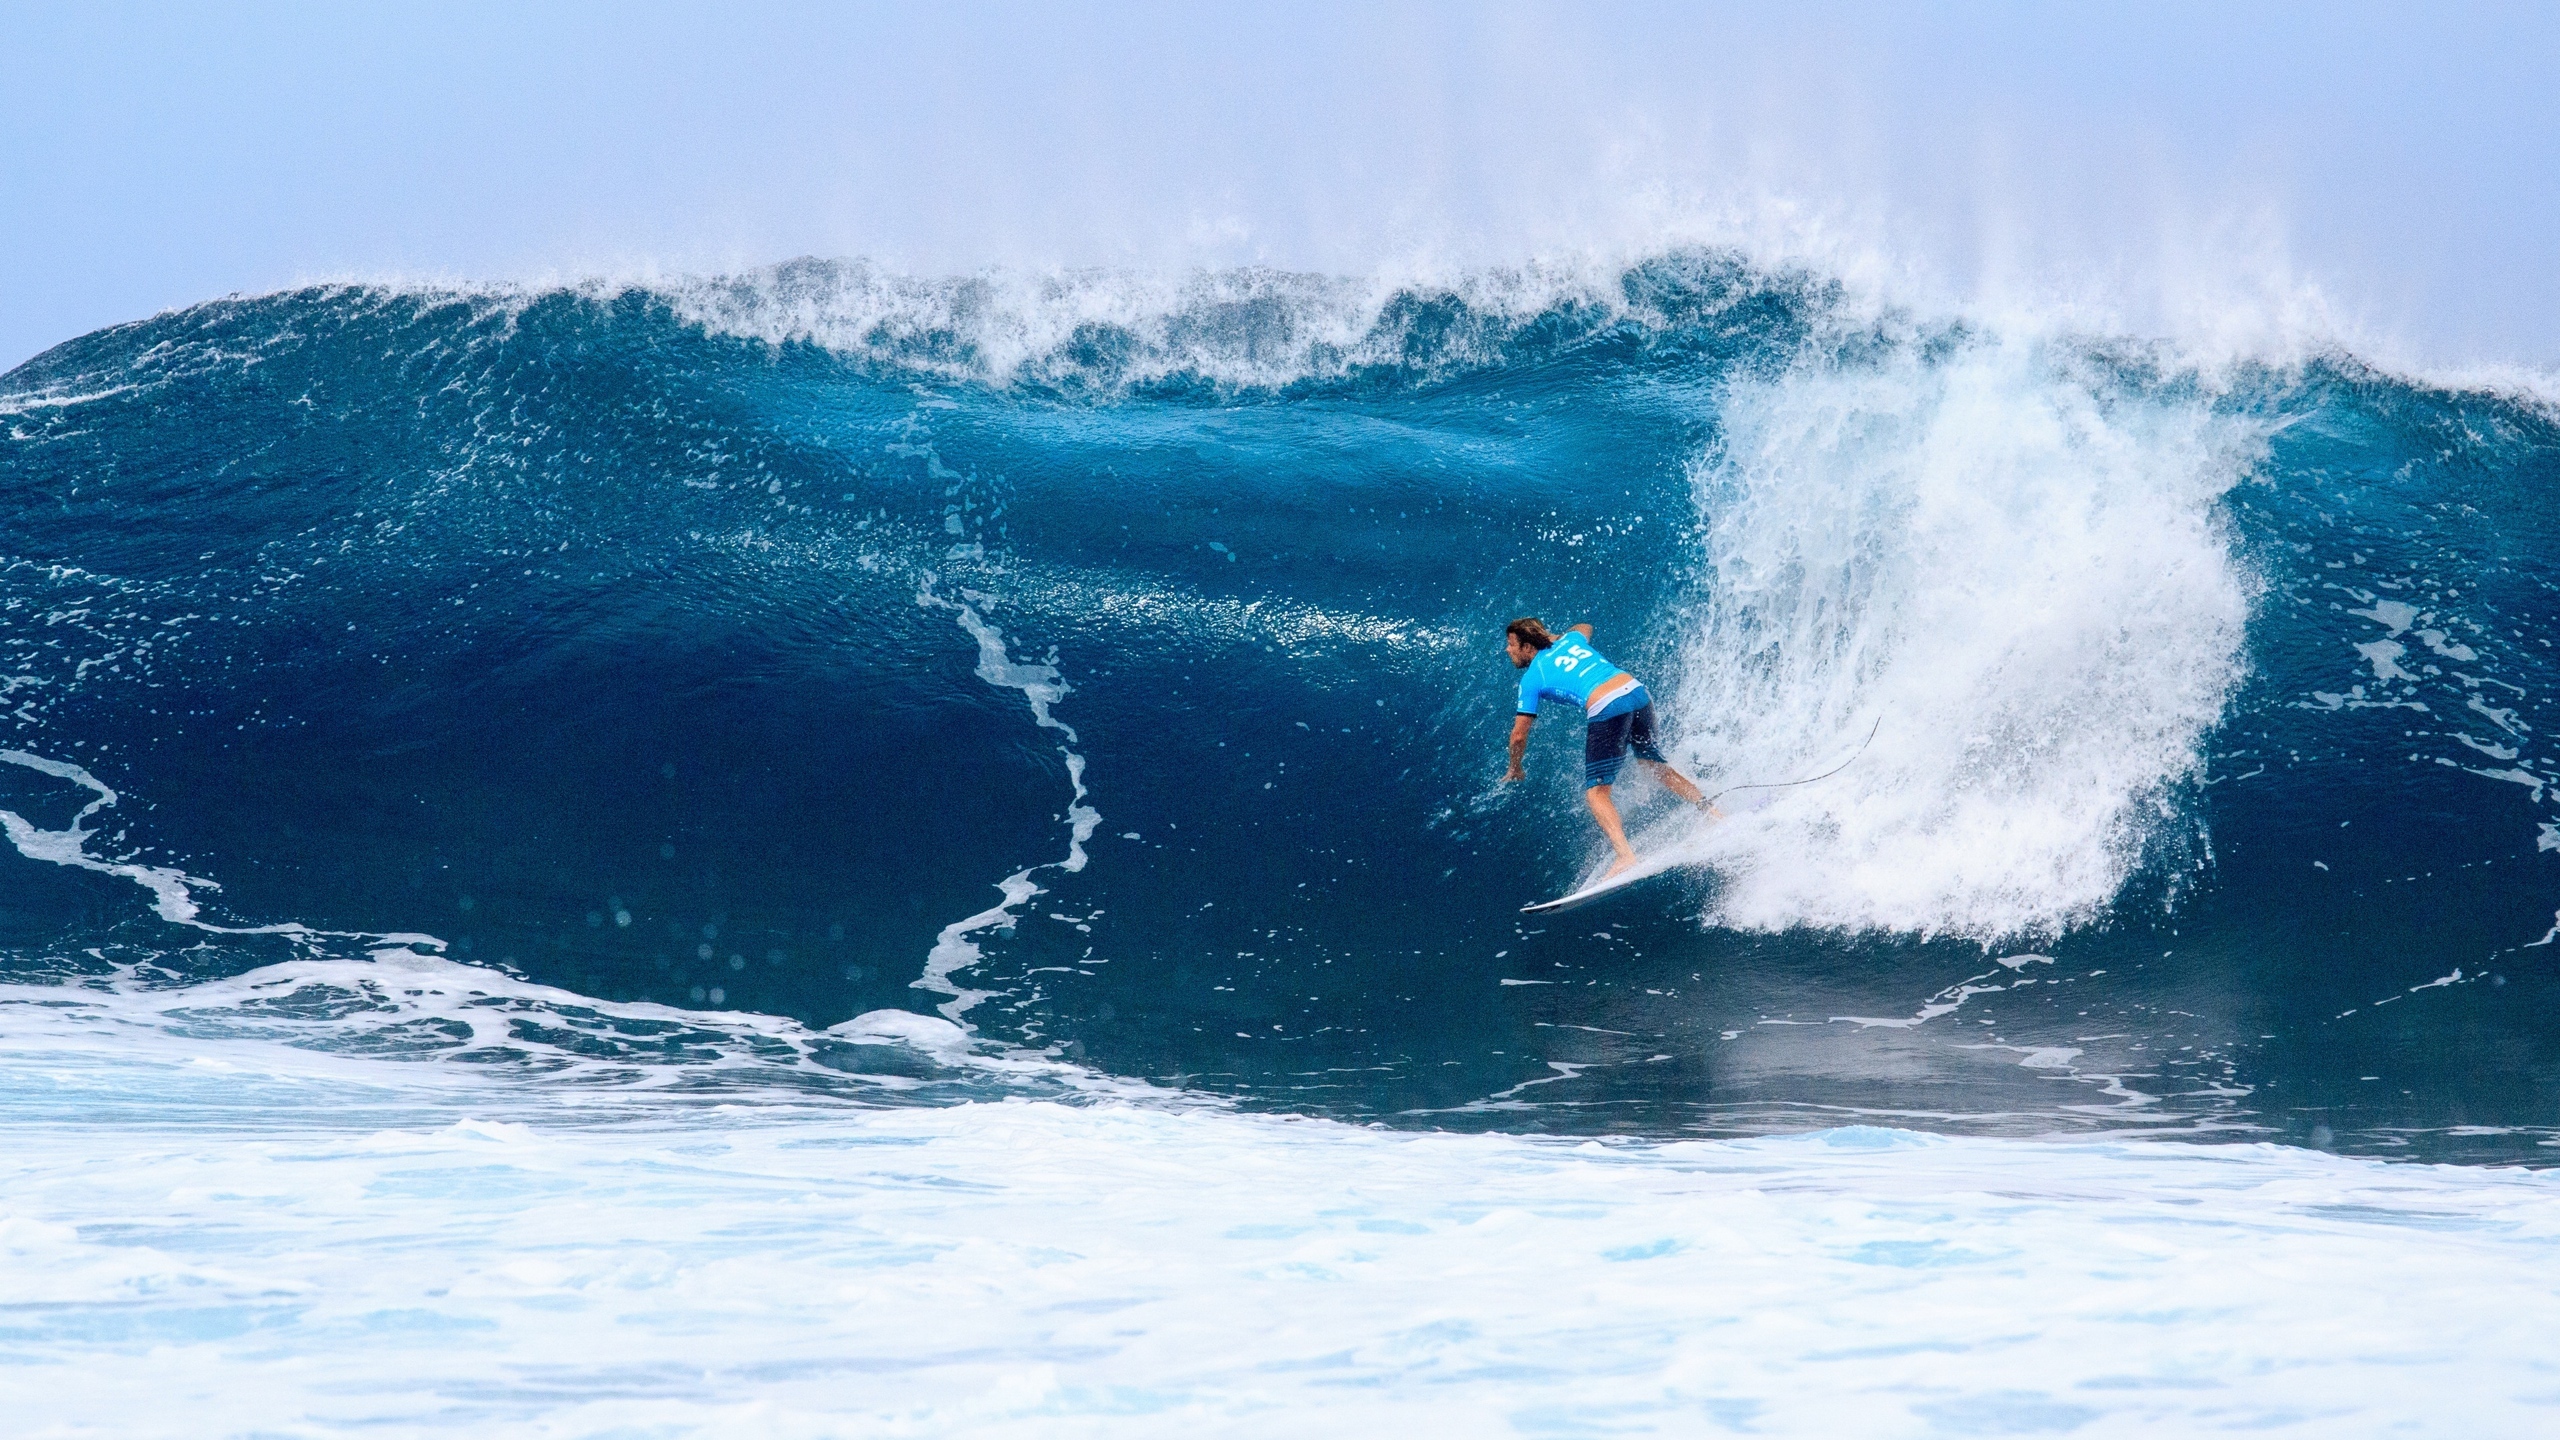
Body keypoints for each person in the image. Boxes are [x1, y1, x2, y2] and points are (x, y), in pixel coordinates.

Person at [1501, 617, 1716, 876]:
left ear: (1527, 647)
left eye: (1512, 644)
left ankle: (1625, 857)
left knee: (1596, 793)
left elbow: (1518, 736)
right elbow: (1584, 626)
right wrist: (1553, 637)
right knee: (1654, 765)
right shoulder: (1571, 640)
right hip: (1636, 692)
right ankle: (1712, 811)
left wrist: (1515, 767)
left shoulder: (1533, 677)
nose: (1507, 650)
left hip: (1608, 705)